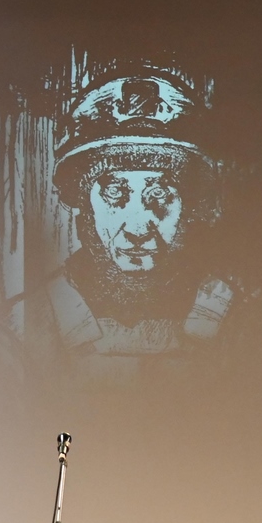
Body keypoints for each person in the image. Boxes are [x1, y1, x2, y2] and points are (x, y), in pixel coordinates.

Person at [42, 62, 235, 381]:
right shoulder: (21, 331)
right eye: (114, 192)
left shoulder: (238, 324)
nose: (137, 229)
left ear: (190, 205)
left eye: (159, 193)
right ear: (84, 204)